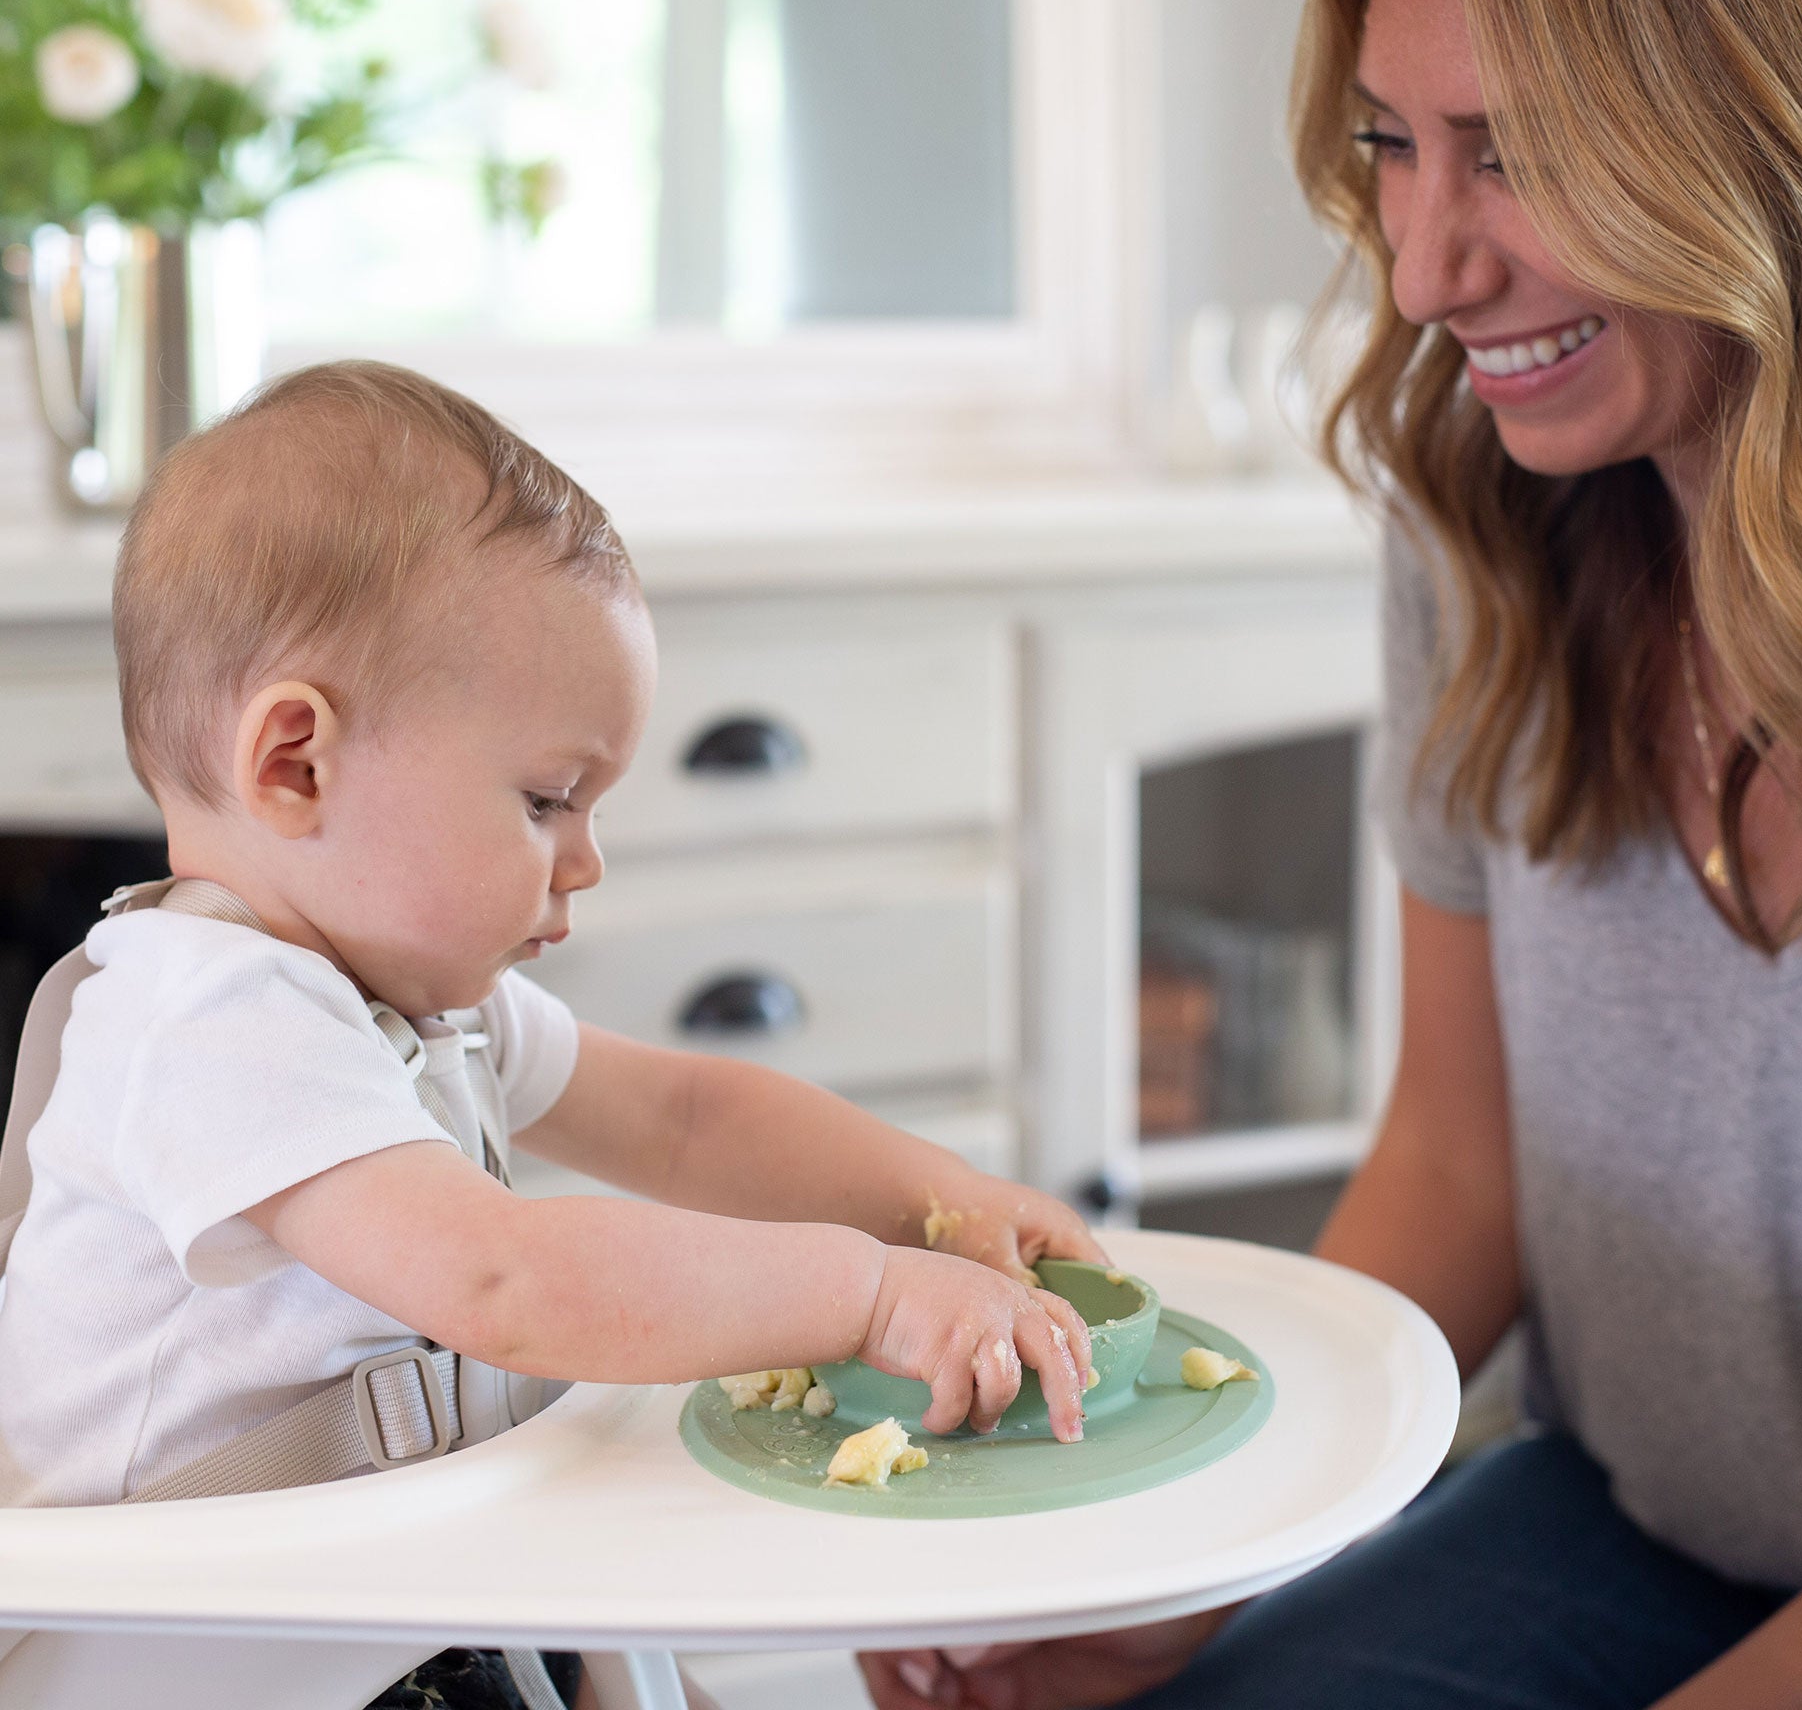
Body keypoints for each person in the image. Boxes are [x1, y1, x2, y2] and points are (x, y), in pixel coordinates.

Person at [864, 0, 1802, 1704]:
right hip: (1615, 1518)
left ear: (1794, 114)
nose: (1419, 267)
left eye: (1520, 150)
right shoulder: (1485, 523)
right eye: (1395, 143)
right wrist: (1188, 1561)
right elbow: (1461, 1169)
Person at [0, 362, 1100, 1710]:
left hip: (390, 1615)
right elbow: (503, 1286)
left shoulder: (409, 1008)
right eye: (545, 800)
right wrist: (865, 1295)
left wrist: (939, 1204)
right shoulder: (202, 1020)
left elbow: (685, 1118)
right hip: (184, 1665)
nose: (583, 862)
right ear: (297, 763)